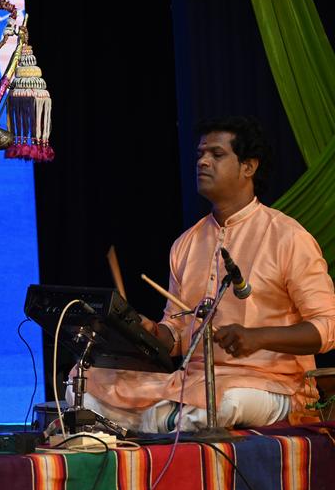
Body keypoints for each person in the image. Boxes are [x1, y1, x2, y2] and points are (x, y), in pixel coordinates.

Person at [82, 117, 335, 431]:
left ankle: (147, 421)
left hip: (271, 385)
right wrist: (146, 331)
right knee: (84, 385)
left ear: (248, 167)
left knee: (225, 403)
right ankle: (165, 420)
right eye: (200, 155)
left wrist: (257, 337)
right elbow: (177, 331)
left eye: (216, 155)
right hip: (194, 384)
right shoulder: (186, 244)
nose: (202, 161)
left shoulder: (288, 237)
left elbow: (327, 328)